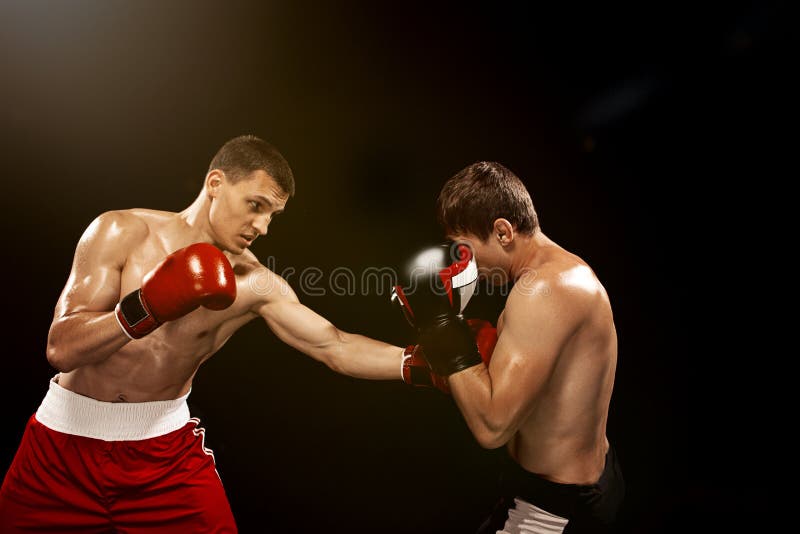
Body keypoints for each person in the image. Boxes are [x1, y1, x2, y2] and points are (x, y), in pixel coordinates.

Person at [0, 135, 410, 533]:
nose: (263, 227)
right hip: (59, 449)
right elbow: (61, 347)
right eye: (256, 206)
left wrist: (423, 362)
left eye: (272, 215)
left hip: (162, 459)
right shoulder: (120, 231)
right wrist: (148, 306)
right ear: (216, 183)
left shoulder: (254, 283)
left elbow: (333, 345)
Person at [393, 162, 625, 533]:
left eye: (464, 249)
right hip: (582, 485)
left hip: (553, 511)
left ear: (502, 231)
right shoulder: (563, 272)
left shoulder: (544, 292)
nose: (464, 265)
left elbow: (492, 428)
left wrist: (441, 327)